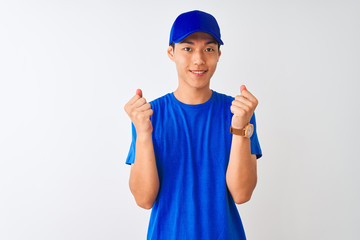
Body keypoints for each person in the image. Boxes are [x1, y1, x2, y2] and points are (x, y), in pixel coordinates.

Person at [124, 10, 262, 240]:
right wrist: (144, 133)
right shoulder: (149, 115)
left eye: (208, 49)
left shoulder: (238, 112)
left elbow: (242, 194)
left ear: (218, 54)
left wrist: (240, 129)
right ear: (171, 53)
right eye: (187, 48)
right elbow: (144, 199)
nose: (198, 59)